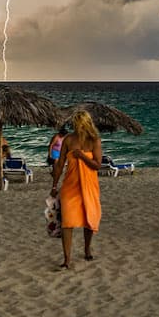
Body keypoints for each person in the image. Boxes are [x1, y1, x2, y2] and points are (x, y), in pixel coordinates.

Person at [49, 110, 102, 269]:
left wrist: (82, 156)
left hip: (89, 186)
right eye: (74, 123)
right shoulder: (68, 140)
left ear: (85, 124)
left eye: (78, 123)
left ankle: (87, 249)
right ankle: (67, 259)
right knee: (67, 222)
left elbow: (97, 165)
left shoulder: (94, 141)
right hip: (70, 186)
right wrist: (54, 185)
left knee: (89, 218)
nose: (75, 126)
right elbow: (59, 165)